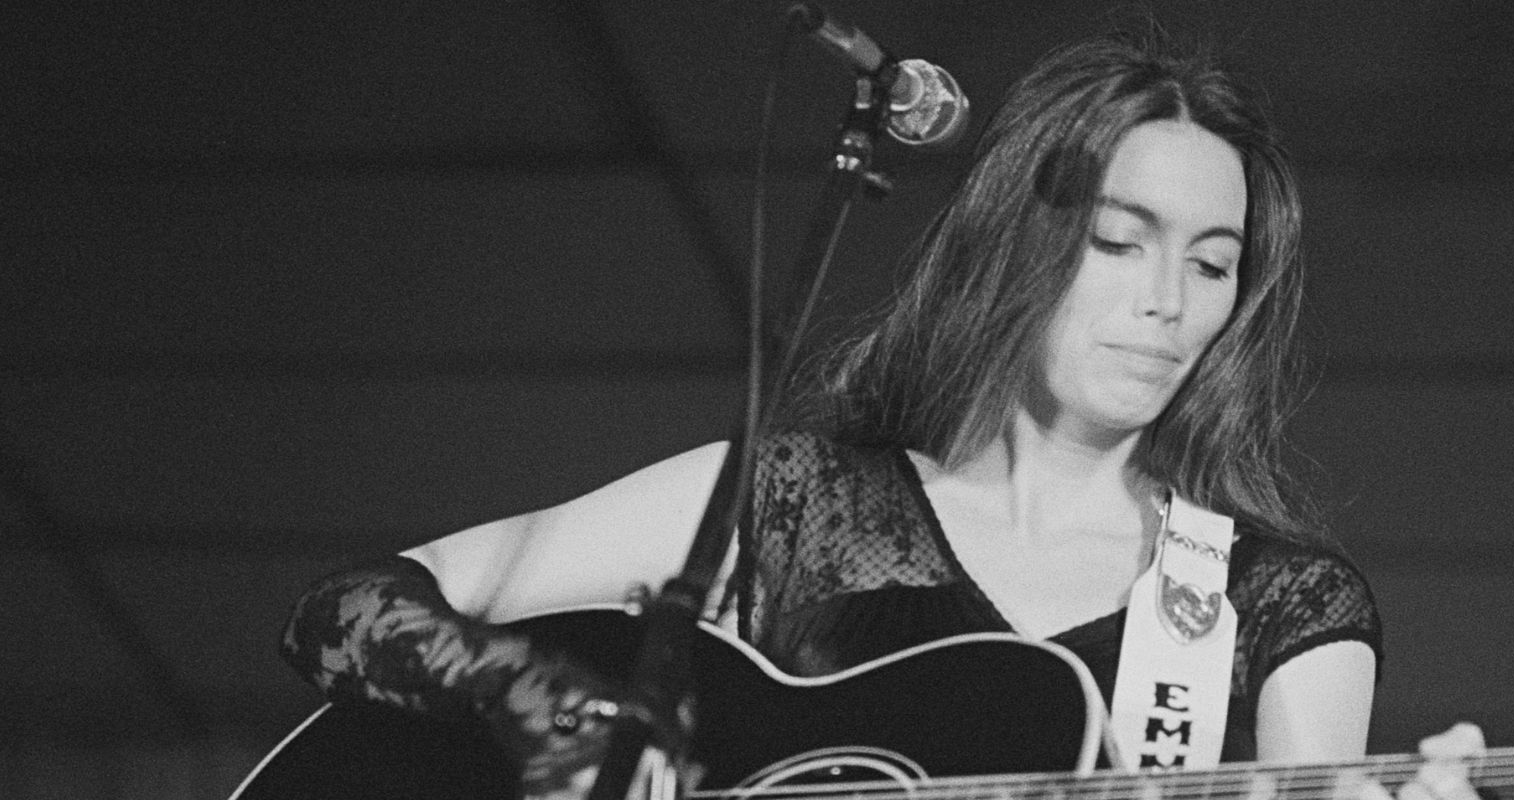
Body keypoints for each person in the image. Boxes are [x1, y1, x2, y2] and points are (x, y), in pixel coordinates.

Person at [280, 32, 1396, 800]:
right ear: (1016, 241)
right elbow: (346, 606)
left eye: (1211, 264)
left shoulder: (1269, 601)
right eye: (1118, 241)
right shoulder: (794, 500)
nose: (1167, 300)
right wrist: (533, 698)